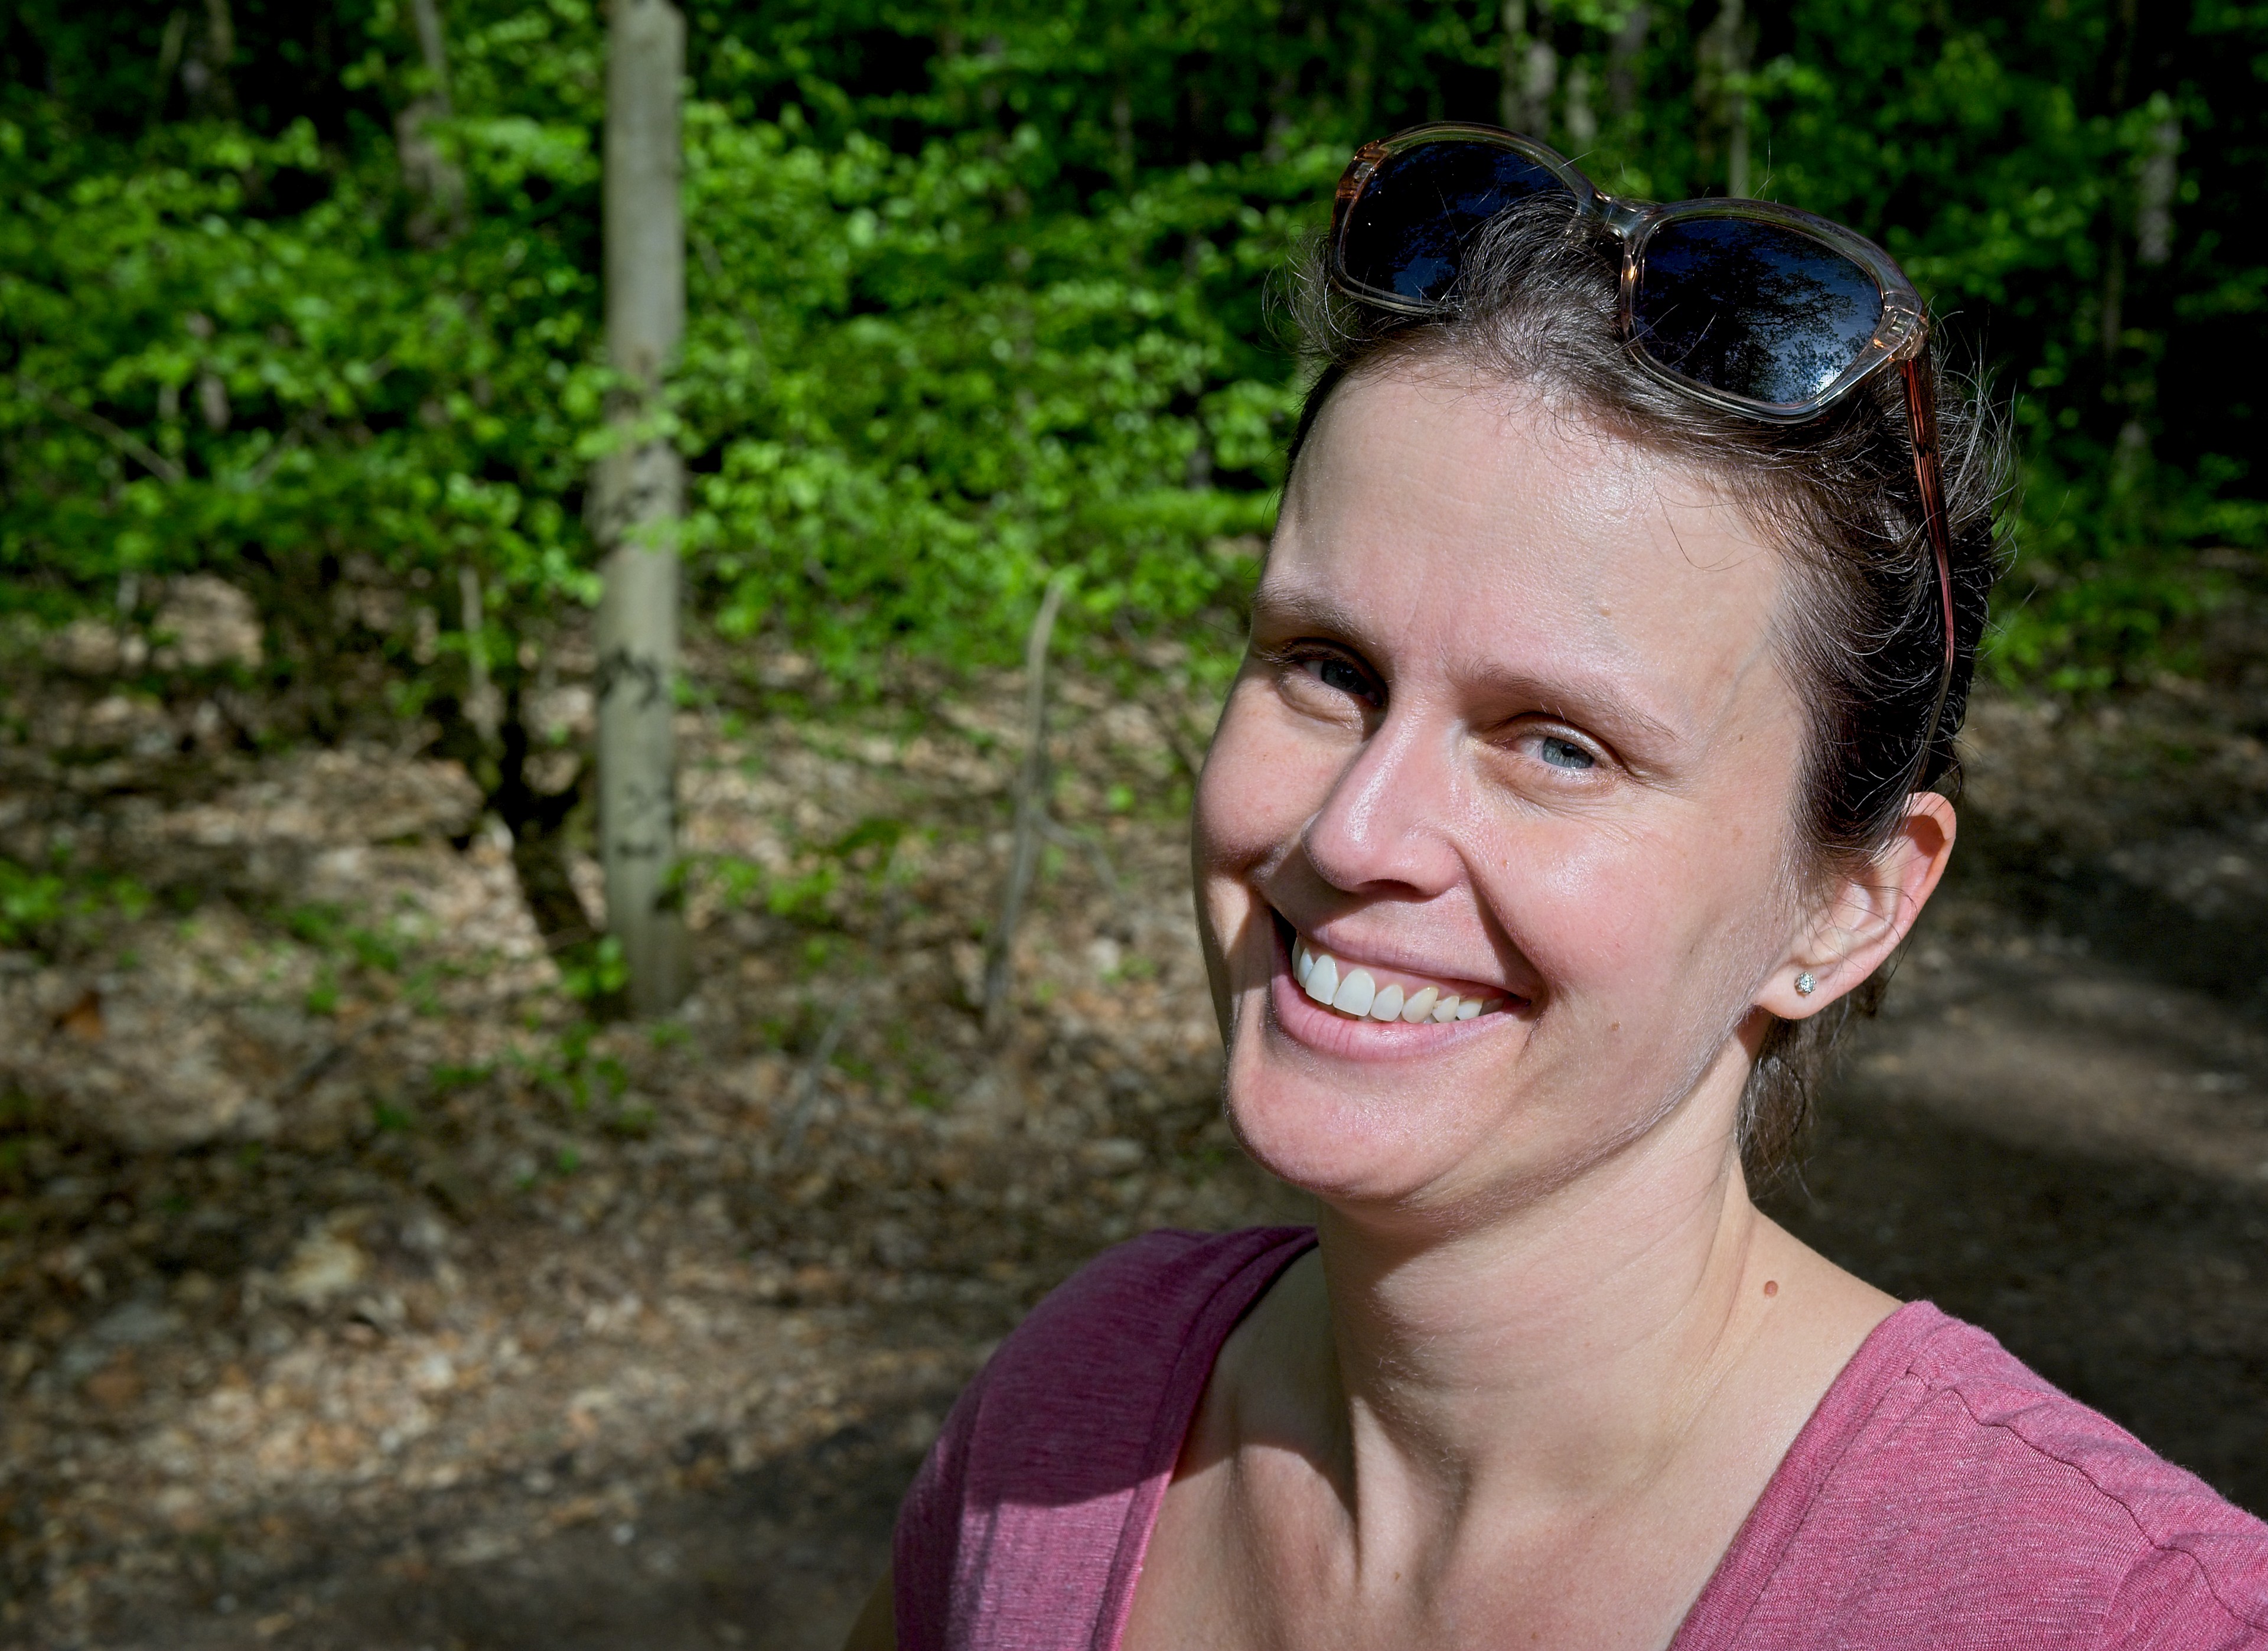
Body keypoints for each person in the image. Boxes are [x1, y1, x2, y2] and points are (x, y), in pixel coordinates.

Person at [846, 126, 2268, 1650]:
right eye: (1328, 669)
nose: (1356, 832)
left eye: (1560, 745)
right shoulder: (1077, 1411)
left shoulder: (2121, 1616)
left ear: (1850, 903)